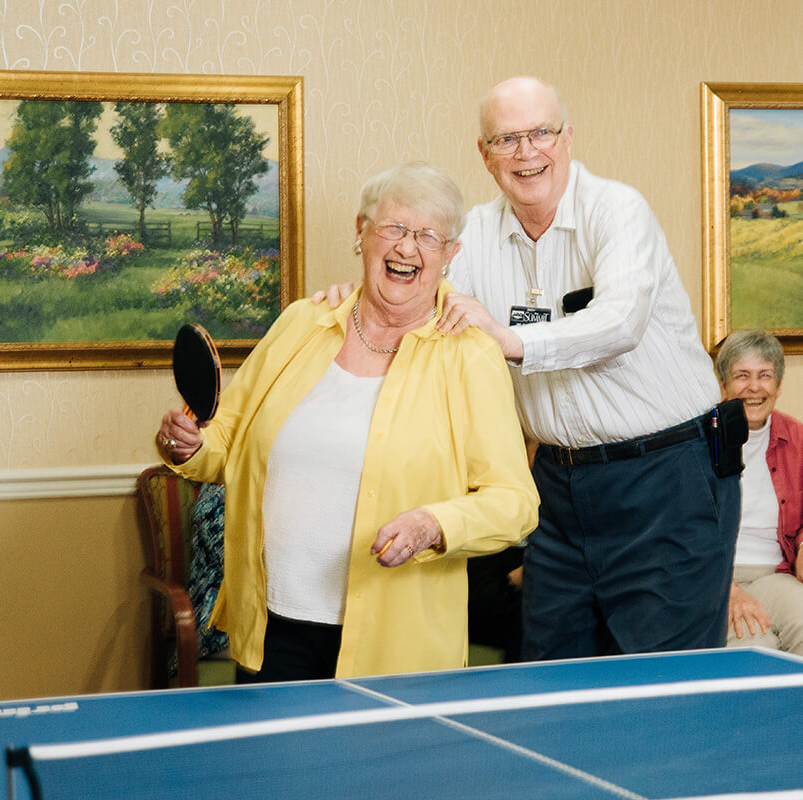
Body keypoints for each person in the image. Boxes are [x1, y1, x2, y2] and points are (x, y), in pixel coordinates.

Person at [316, 77, 741, 660]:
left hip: (668, 477)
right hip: (558, 488)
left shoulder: (618, 210)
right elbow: (422, 307)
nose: (526, 152)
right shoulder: (475, 237)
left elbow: (621, 322)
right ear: (484, 155)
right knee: (548, 675)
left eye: (540, 132)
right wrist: (364, 292)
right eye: (507, 139)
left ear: (568, 138)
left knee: (661, 693)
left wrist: (510, 339)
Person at [157, 162, 539, 682]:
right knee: (272, 766)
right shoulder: (301, 324)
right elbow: (227, 437)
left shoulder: (471, 356)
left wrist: (434, 525)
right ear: (361, 233)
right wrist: (189, 446)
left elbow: (515, 503)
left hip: (396, 645)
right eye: (394, 228)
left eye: (428, 235)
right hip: (273, 628)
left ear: (450, 254)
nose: (408, 247)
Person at [715, 330, 803, 656]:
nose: (754, 387)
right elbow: (681, 530)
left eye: (765, 376)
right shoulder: (698, 441)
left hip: (777, 575)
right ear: (724, 384)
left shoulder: (798, 439)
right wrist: (728, 590)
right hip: (717, 579)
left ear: (779, 386)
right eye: (742, 376)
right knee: (755, 646)